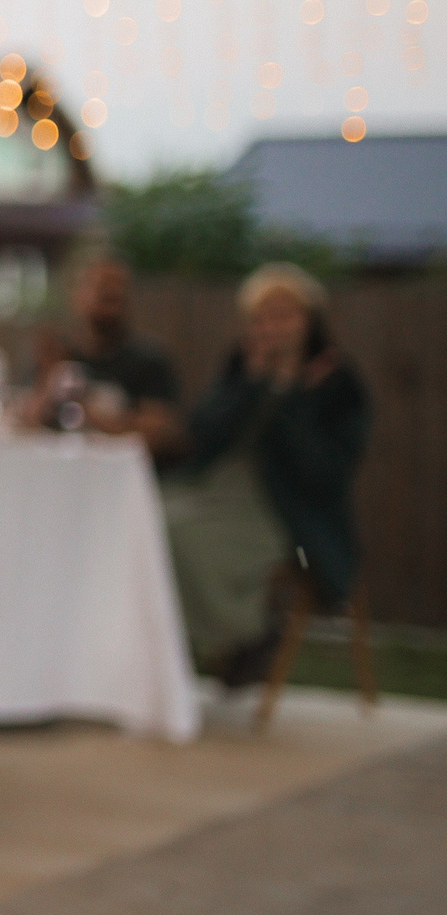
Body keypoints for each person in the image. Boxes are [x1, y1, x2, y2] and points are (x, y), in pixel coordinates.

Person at [164, 263, 370, 685]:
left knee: (182, 532)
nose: (271, 327)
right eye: (261, 318)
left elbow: (324, 473)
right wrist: (252, 385)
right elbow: (198, 437)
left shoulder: (337, 383)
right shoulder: (241, 368)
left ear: (309, 322)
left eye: (283, 315)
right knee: (144, 518)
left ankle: (247, 632)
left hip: (287, 511)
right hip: (212, 488)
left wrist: (290, 393)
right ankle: (178, 651)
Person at [30, 255, 183, 462]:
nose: (111, 298)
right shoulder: (59, 355)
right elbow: (21, 423)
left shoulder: (148, 360)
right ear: (77, 294)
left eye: (118, 291)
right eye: (101, 289)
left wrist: (87, 408)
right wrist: (49, 384)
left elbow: (157, 437)